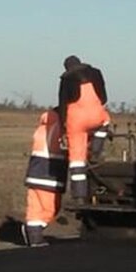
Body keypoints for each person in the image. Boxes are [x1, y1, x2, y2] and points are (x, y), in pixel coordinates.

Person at [57, 56, 109, 200]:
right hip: (96, 115)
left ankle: (79, 197)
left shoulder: (66, 79)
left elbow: (62, 105)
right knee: (104, 122)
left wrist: (62, 129)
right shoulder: (96, 73)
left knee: (77, 160)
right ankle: (95, 151)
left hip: (76, 122)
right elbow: (104, 98)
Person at [22, 107, 67, 248]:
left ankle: (34, 235)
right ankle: (34, 233)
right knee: (50, 207)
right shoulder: (59, 125)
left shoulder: (44, 125)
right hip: (49, 172)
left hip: (36, 170)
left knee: (35, 207)